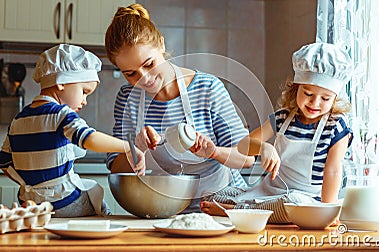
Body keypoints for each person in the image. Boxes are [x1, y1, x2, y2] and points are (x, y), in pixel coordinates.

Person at [104, 3, 255, 212]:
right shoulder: (126, 99)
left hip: (222, 209)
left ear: (161, 45)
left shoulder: (207, 88)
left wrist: (213, 152)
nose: (144, 78)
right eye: (130, 73)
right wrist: (135, 150)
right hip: (165, 211)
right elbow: (115, 168)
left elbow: (247, 158)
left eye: (149, 64)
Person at [200, 42, 353, 223]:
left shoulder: (336, 126)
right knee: (214, 196)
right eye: (308, 93)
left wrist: (328, 211)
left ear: (335, 98)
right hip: (271, 193)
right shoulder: (282, 118)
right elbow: (243, 146)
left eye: (325, 98)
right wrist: (264, 147)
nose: (315, 103)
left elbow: (333, 171)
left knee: (292, 204)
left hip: (305, 200)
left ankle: (236, 211)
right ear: (296, 88)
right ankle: (245, 210)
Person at [0, 44, 145, 217]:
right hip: (65, 202)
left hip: (31, 205)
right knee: (95, 194)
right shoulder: (62, 114)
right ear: (61, 82)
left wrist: (34, 186)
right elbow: (89, 139)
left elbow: (5, 164)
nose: (84, 101)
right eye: (84, 92)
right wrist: (128, 147)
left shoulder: (18, 119)